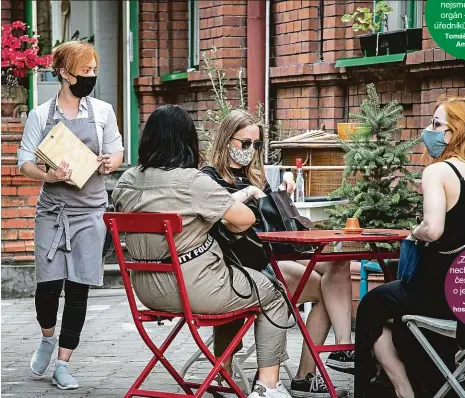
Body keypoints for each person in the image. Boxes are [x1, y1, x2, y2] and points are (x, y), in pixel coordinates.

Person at [112, 105, 293, 398]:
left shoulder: (127, 180)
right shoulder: (193, 182)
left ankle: (223, 373)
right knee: (272, 291)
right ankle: (269, 387)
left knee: (240, 283)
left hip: (145, 288)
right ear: (187, 142)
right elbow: (245, 220)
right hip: (195, 287)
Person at [202, 109, 352, 398]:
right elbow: (213, 212)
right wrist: (248, 194)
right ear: (225, 140)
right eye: (244, 143)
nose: (250, 151)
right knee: (326, 286)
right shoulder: (208, 177)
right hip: (241, 266)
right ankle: (305, 376)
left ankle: (340, 349)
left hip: (270, 257)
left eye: (256, 145)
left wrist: (282, 197)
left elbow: (277, 225)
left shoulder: (256, 178)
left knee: (337, 265)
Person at [18, 41, 124, 390]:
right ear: (65, 73)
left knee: (79, 289)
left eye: (95, 71)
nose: (91, 77)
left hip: (90, 211)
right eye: (86, 71)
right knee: (47, 288)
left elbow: (117, 152)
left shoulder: (103, 112)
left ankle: (64, 362)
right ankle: (47, 337)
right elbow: (25, 163)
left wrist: (111, 162)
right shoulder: (40, 115)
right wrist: (48, 175)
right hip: (53, 211)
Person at [354, 96, 465, 398]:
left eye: (436, 123)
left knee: (371, 306)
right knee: (396, 308)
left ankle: (402, 389)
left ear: (454, 132)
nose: (428, 130)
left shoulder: (439, 172)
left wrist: (415, 232)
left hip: (440, 292)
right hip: (462, 296)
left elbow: (433, 228)